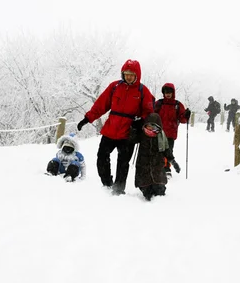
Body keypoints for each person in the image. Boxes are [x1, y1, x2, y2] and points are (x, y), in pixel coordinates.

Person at [76, 59, 154, 195]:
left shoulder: (143, 91)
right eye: (126, 73)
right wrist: (87, 118)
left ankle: (118, 189)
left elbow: (148, 111)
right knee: (101, 157)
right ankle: (107, 184)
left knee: (123, 163)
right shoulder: (114, 87)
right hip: (110, 130)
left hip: (128, 134)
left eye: (132, 74)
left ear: (137, 75)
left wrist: (141, 121)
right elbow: (101, 104)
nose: (128, 76)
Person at [134, 113, 180, 201]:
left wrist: (173, 162)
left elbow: (167, 150)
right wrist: (134, 126)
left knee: (159, 192)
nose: (150, 129)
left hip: (157, 168)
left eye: (153, 127)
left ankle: (159, 206)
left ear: (158, 127)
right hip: (143, 168)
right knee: (147, 193)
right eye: (148, 126)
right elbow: (131, 139)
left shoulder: (161, 137)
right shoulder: (142, 135)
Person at [153, 83, 190, 178]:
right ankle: (159, 168)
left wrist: (186, 115)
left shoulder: (177, 105)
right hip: (159, 132)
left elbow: (182, 119)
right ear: (163, 93)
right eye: (166, 92)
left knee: (168, 150)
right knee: (158, 151)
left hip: (171, 133)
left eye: (170, 92)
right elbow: (153, 114)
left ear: (173, 93)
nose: (168, 94)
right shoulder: (159, 103)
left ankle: (166, 169)